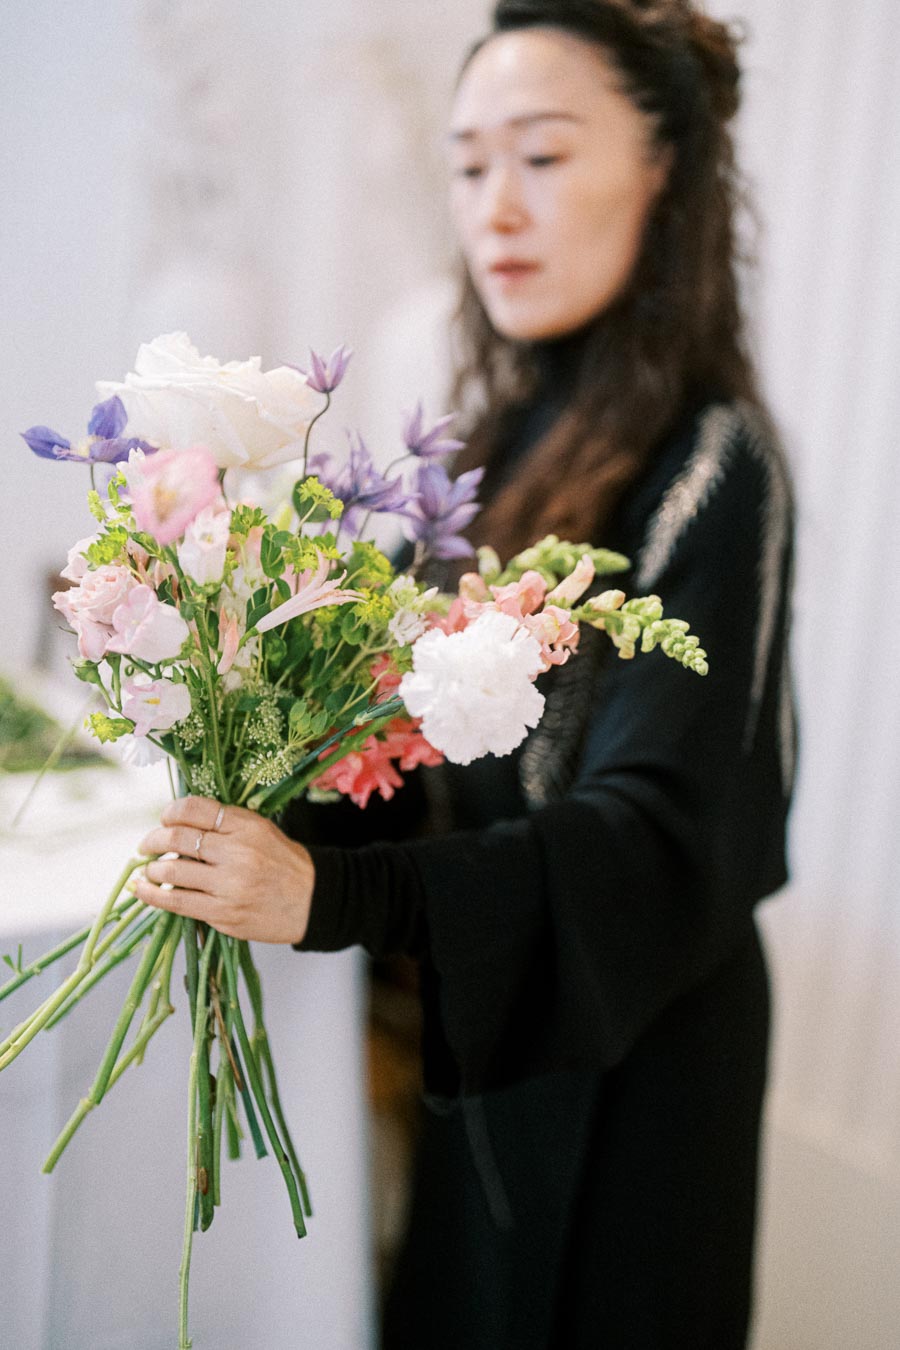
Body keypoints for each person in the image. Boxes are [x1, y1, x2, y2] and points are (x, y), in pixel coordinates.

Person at [135, 2, 796, 1346]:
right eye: (469, 161)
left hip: (639, 1048)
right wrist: (249, 770)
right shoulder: (497, 443)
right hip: (495, 1022)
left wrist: (335, 891)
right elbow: (410, 749)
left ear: (665, 172)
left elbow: (649, 836)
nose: (495, 206)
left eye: (542, 157)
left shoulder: (717, 465)